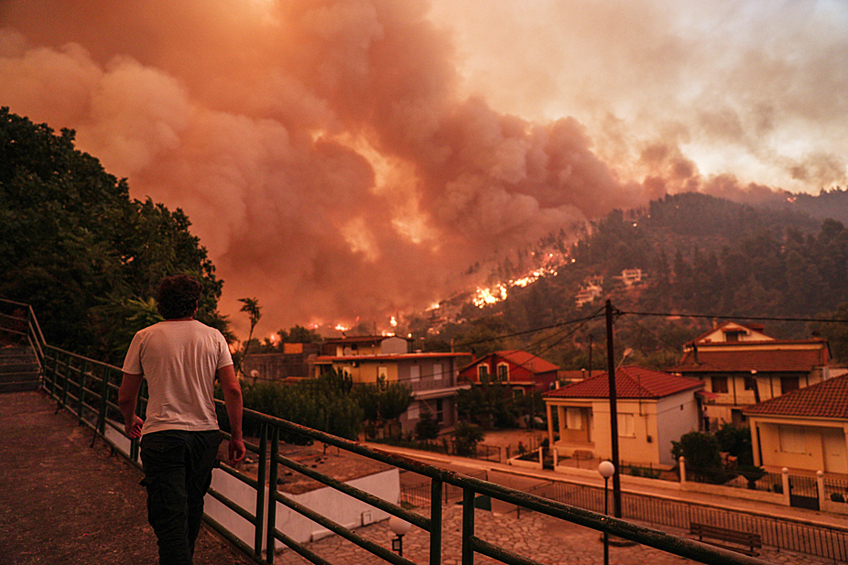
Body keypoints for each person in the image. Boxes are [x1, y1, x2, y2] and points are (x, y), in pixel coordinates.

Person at [118, 274, 246, 565]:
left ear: (161, 306)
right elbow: (233, 390)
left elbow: (126, 396)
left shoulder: (145, 337)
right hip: (205, 437)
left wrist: (129, 420)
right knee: (191, 507)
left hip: (162, 437)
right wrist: (236, 436)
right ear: (196, 305)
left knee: (169, 520)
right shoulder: (214, 337)